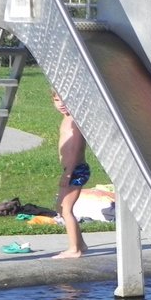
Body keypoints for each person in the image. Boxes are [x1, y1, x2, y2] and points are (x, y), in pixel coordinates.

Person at [52, 91, 89, 259]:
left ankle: (75, 250)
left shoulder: (75, 122)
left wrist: (68, 173)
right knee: (60, 207)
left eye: (64, 100)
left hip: (75, 170)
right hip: (70, 170)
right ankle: (80, 244)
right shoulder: (66, 119)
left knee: (67, 210)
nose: (60, 104)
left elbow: (75, 150)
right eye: (56, 100)